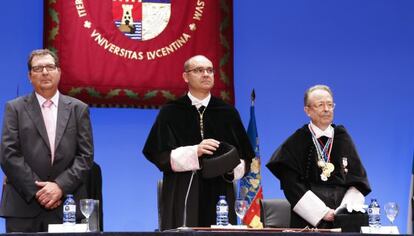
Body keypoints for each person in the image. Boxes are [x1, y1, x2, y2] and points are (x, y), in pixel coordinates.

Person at [143, 55, 254, 230]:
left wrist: (227, 166)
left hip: (220, 192)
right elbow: (156, 153)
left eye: (210, 70)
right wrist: (194, 152)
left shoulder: (228, 112)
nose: (206, 74)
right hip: (182, 190)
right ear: (186, 76)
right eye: (199, 70)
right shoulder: (171, 111)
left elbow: (245, 158)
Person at [0, 49, 94, 232]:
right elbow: (8, 155)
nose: (44, 72)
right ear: (29, 76)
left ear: (59, 72)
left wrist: (60, 186)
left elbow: (85, 156)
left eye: (50, 67)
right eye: (38, 68)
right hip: (23, 206)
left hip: (67, 204)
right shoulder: (14, 108)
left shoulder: (78, 109)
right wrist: (40, 192)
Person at [266, 85, 371, 229]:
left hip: (342, 218)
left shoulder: (342, 137)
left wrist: (344, 210)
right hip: (308, 220)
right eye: (320, 105)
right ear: (307, 110)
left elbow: (357, 179)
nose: (326, 109)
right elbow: (291, 185)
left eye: (330, 104)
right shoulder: (297, 140)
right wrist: (322, 212)